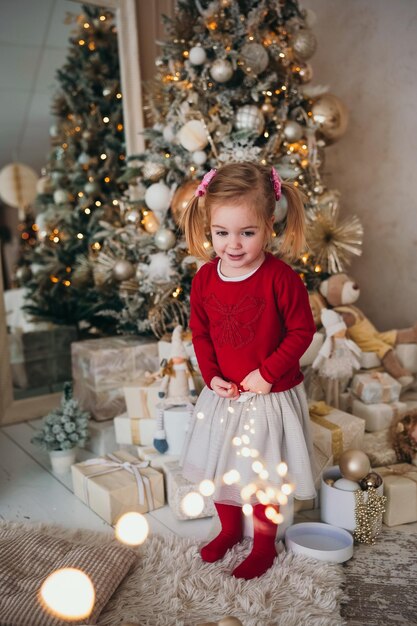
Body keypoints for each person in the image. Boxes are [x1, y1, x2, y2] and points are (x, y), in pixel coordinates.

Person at [179, 161, 316, 580]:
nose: (232, 245)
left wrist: (268, 373)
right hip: (224, 395)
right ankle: (228, 529)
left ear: (269, 226)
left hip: (268, 396)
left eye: (247, 233)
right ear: (208, 227)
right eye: (222, 233)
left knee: (261, 478)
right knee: (221, 467)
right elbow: (199, 331)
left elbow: (301, 331)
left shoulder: (281, 279)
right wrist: (211, 375)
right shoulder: (204, 279)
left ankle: (263, 545)